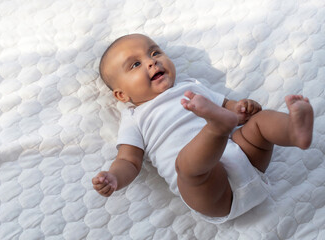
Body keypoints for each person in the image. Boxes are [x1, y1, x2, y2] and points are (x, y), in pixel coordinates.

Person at [92, 33, 314, 223]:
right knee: (186, 167)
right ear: (122, 95)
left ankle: (294, 131)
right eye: (135, 64)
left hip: (242, 157)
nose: (152, 62)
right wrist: (114, 177)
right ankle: (217, 126)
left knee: (261, 122)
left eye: (155, 53)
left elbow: (232, 108)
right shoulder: (134, 117)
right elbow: (128, 160)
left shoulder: (190, 87)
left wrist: (242, 109)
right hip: (210, 191)